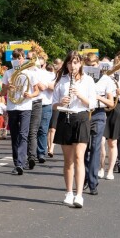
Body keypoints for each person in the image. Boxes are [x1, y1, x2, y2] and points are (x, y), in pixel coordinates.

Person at [52, 51, 96, 208]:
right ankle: (69, 192)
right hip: (65, 118)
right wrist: (61, 103)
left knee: (79, 157)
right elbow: (53, 104)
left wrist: (80, 95)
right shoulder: (62, 80)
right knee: (68, 160)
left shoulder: (88, 80)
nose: (73, 66)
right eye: (70, 63)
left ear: (81, 64)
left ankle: (79, 195)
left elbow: (92, 104)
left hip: (81, 118)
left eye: (76, 62)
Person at [1, 48, 39, 175]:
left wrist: (31, 95)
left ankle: (20, 164)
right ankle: (17, 161)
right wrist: (8, 87)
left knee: (23, 134)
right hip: (12, 107)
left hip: (25, 107)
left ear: (24, 58)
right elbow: (2, 92)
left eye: (20, 57)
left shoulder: (30, 73)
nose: (17, 60)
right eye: (15, 58)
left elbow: (37, 91)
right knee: (15, 136)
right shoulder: (8, 73)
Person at [83, 53, 115, 195]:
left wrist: (96, 96)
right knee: (83, 148)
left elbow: (111, 103)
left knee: (95, 148)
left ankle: (93, 182)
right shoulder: (82, 79)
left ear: (98, 66)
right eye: (88, 66)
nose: (91, 68)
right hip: (83, 113)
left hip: (98, 114)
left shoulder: (106, 79)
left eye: (94, 66)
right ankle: (84, 177)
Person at [36, 59, 56, 163]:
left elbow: (54, 87)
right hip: (31, 104)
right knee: (31, 131)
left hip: (45, 104)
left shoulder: (50, 74)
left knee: (43, 130)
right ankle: (30, 153)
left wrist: (45, 84)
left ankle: (41, 153)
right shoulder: (28, 73)